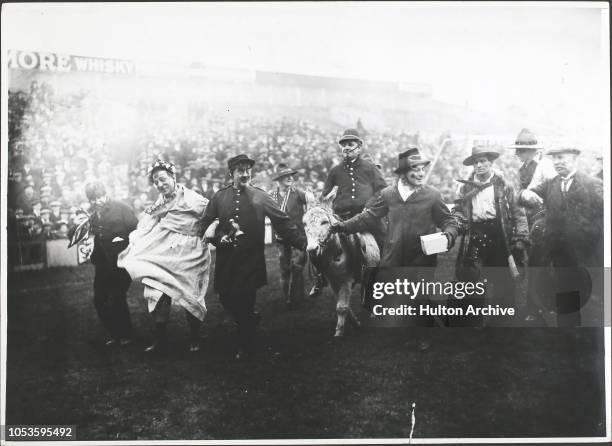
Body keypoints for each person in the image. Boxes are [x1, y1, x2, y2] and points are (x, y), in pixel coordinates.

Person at [332, 148, 459, 325]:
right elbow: (367, 217)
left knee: (419, 296)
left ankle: (423, 335)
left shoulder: (432, 195)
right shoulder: (388, 195)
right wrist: (343, 226)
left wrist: (449, 235)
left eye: (422, 169)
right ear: (404, 173)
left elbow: (448, 220)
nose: (421, 173)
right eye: (415, 169)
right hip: (394, 256)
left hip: (421, 257)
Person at [200, 154, 306, 359]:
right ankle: (248, 320)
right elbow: (204, 224)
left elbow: (283, 222)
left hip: (250, 260)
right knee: (225, 297)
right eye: (240, 170)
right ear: (231, 174)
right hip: (227, 260)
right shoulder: (219, 197)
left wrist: (303, 243)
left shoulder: (260, 196)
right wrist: (219, 238)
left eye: (248, 170)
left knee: (245, 300)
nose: (245, 174)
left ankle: (245, 344)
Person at [117, 160, 212, 353]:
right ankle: (159, 338)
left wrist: (209, 230)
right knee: (155, 289)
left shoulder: (193, 199)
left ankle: (195, 337)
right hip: (165, 252)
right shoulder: (160, 202)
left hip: (191, 253)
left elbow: (213, 214)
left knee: (191, 293)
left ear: (173, 177)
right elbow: (147, 222)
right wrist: (133, 239)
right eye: (156, 182)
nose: (160, 184)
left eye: (162, 179)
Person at [520, 147, 603, 326]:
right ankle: (567, 339)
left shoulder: (592, 184)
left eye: (561, 158)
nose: (557, 162)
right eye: (554, 159)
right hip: (561, 257)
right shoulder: (551, 183)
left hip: (586, 256)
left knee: (591, 302)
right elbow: (525, 194)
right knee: (566, 299)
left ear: (574, 159)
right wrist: (526, 193)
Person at [453, 145, 529, 326]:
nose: (479, 165)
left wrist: (521, 237)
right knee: (472, 280)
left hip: (499, 235)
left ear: (490, 162)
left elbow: (518, 212)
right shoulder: (465, 188)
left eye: (483, 161)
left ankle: (502, 323)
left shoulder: (503, 184)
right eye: (475, 162)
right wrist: (458, 220)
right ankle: (472, 322)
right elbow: (458, 210)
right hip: (476, 236)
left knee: (502, 279)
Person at [312, 128, 387, 297]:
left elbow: (382, 190)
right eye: (343, 145)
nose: (346, 148)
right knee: (317, 244)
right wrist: (323, 201)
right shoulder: (335, 170)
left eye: (350, 144)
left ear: (359, 147)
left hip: (367, 217)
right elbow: (324, 194)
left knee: (385, 243)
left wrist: (369, 206)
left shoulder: (370, 168)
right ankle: (319, 278)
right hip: (342, 217)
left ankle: (380, 280)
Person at [508, 128, 556, 322]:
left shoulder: (545, 166)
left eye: (523, 150)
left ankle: (536, 307)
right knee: (535, 263)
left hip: (543, 220)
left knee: (540, 263)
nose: (518, 154)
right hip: (528, 221)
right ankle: (542, 304)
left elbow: (555, 192)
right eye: (519, 150)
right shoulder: (525, 167)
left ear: (533, 150)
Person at [86, 181, 138, 346]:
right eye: (93, 199)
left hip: (122, 261)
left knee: (117, 297)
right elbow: (86, 236)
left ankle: (126, 334)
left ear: (105, 193)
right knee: (99, 300)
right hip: (102, 264)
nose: (97, 201)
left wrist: (124, 241)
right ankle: (115, 333)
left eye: (99, 196)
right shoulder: (92, 215)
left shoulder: (122, 207)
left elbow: (137, 230)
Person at [269, 164, 315, 307]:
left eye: (291, 176)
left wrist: (311, 197)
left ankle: (297, 298)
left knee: (297, 266)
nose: (290, 178)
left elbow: (311, 201)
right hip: (281, 238)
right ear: (279, 179)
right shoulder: (272, 195)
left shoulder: (297, 192)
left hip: (297, 237)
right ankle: (287, 298)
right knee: (284, 269)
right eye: (286, 176)